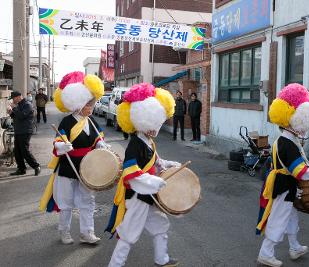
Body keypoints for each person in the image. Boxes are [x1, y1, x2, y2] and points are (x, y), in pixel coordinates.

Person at [256, 83, 309, 267]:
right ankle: (265, 253)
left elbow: (303, 164)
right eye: (304, 124)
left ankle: (294, 247)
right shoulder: (288, 143)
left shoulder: (289, 140)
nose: (305, 129)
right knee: (279, 220)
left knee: (291, 219)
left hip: (287, 186)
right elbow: (301, 172)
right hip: (284, 187)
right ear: (295, 120)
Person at [106, 83, 180, 267]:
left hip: (148, 195)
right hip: (138, 197)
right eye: (154, 124)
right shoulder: (134, 145)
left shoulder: (147, 141)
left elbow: (156, 161)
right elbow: (132, 175)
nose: (157, 128)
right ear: (143, 121)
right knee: (129, 233)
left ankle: (161, 259)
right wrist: (155, 182)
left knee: (161, 226)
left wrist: (169, 165)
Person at [39, 71, 106, 245]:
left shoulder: (92, 122)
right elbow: (57, 143)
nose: (91, 108)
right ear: (79, 105)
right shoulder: (66, 122)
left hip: (87, 167)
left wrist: (101, 145)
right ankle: (65, 231)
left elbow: (98, 138)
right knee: (66, 202)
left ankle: (87, 233)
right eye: (88, 105)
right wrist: (63, 146)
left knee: (87, 201)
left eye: (92, 104)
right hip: (68, 166)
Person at [7, 91, 41, 176]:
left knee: (24, 150)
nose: (13, 101)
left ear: (18, 97)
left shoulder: (27, 104)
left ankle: (36, 166)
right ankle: (21, 169)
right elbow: (16, 116)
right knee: (17, 151)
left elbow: (22, 116)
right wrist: (11, 113)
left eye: (13, 99)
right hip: (18, 130)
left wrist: (14, 108)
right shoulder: (18, 105)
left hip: (25, 130)